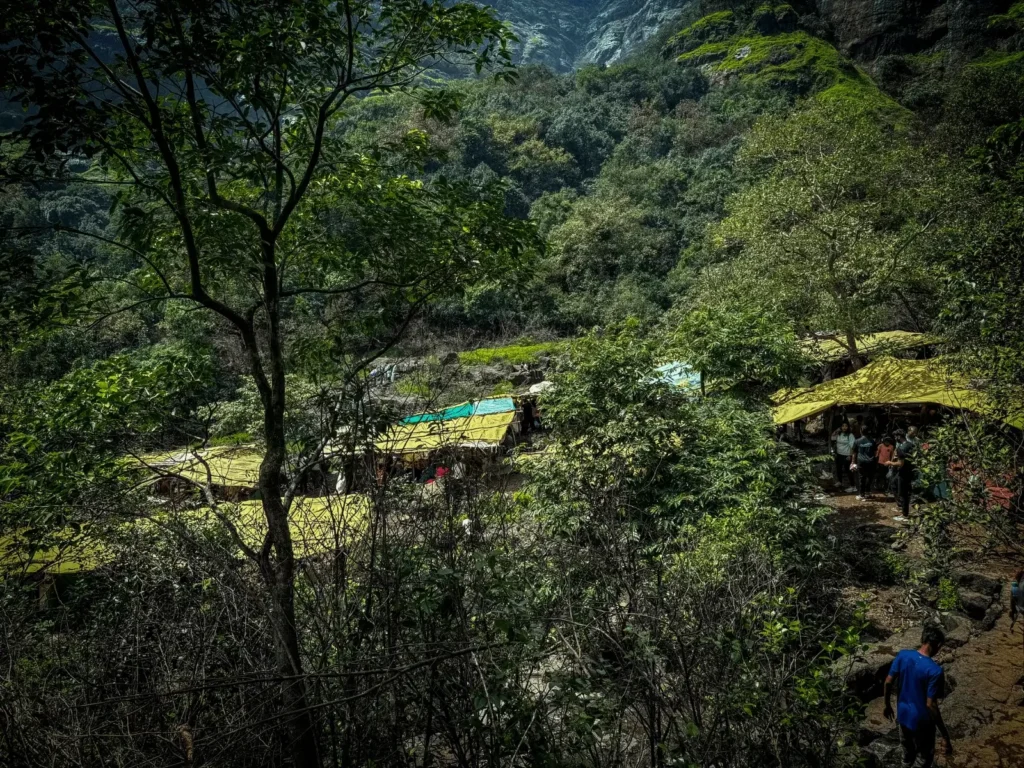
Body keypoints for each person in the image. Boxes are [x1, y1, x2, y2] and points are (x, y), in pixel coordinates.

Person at [883, 625, 953, 767]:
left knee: (907, 757)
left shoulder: (903, 655)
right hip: (922, 723)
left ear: (923, 639)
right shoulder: (935, 671)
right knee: (923, 760)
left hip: (903, 716)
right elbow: (931, 704)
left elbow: (888, 682)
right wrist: (945, 735)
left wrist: (887, 705)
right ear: (938, 645)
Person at [892, 428, 917, 519]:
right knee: (894, 485)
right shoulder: (911, 445)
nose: (895, 438)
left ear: (899, 436)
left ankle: (904, 514)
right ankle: (901, 507)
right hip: (910, 471)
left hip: (903, 472)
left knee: (903, 493)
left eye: (896, 436)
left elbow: (900, 463)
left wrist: (890, 463)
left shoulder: (901, 448)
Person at [852, 428, 878, 500]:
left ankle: (861, 494)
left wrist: (853, 462)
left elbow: (854, 453)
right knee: (870, 477)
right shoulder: (872, 441)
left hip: (861, 461)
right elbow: (876, 453)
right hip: (871, 462)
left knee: (862, 477)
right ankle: (868, 493)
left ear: (861, 431)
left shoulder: (857, 441)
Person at [832, 421, 857, 492]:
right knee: (838, 469)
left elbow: (853, 447)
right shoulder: (839, 434)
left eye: (846, 426)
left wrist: (850, 455)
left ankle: (853, 486)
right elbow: (832, 437)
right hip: (839, 454)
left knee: (849, 471)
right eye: (842, 426)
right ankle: (840, 482)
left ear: (848, 427)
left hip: (847, 455)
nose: (844, 427)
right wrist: (837, 430)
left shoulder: (850, 435)